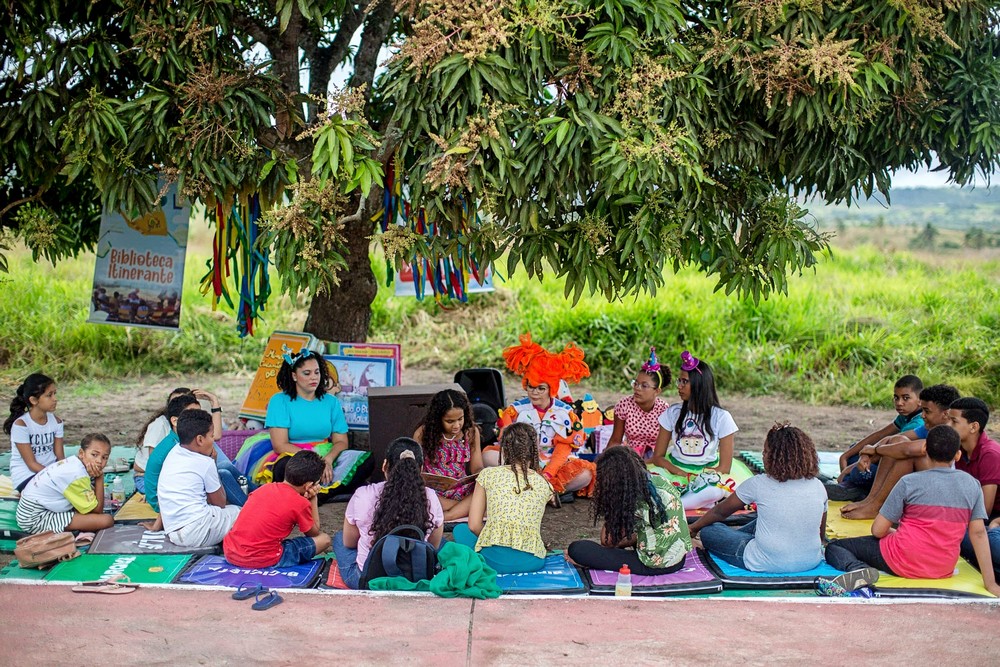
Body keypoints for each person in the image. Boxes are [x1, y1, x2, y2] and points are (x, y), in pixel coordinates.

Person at [823, 425, 1000, 597]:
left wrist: (896, 532)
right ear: (958, 454)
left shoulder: (909, 482)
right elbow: (978, 534)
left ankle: (860, 570)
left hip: (900, 560)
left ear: (924, 450)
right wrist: (991, 584)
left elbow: (877, 530)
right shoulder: (972, 485)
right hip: (942, 568)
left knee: (835, 547)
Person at [689, 423, 826, 572]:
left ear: (777, 458)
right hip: (811, 560)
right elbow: (820, 532)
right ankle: (739, 537)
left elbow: (720, 512)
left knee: (711, 529)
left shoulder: (759, 483)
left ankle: (737, 537)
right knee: (763, 520)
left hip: (765, 562)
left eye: (766, 452)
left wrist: (694, 527)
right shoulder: (818, 486)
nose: (763, 455)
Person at [491, 333, 594, 498]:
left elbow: (562, 450)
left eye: (541, 388)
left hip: (554, 462)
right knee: (489, 457)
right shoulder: (516, 409)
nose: (534, 392)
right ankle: (542, 491)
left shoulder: (565, 413)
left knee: (585, 474)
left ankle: (542, 490)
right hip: (522, 462)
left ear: (551, 389)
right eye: (531, 387)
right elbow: (507, 437)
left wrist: (547, 474)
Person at [259, 347, 373, 497]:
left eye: (317, 372)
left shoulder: (331, 401)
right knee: (283, 468)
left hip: (326, 453)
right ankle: (325, 492)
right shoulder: (279, 401)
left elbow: (341, 441)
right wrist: (316, 461)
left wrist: (329, 459)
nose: (314, 378)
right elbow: (280, 445)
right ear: (294, 376)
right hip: (294, 454)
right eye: (307, 373)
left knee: (367, 460)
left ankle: (320, 494)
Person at [333, 438, 444, 589]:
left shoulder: (362, 495)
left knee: (340, 538)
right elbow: (433, 545)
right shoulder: (431, 497)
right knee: (443, 542)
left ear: (385, 465)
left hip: (368, 580)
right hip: (414, 578)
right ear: (421, 468)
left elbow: (349, 542)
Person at [839, 384, 960, 519]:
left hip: (941, 492)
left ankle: (877, 505)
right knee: (898, 441)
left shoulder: (950, 432)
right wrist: (867, 455)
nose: (923, 416)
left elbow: (910, 449)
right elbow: (891, 438)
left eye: (927, 411)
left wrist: (875, 449)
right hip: (925, 481)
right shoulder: (929, 428)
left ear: (945, 414)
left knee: (905, 455)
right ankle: (870, 501)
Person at [568, 445, 691, 574]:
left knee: (578, 549)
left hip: (654, 565)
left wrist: (611, 503)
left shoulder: (631, 497)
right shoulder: (659, 480)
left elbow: (607, 541)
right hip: (679, 559)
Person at [453, 423, 552, 574]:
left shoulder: (488, 475)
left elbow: (473, 525)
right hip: (533, 561)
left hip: (493, 561)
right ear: (534, 450)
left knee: (460, 530)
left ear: (504, 450)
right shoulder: (545, 484)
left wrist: (494, 538)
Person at [142, 393, 246, 533]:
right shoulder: (180, 449)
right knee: (240, 509)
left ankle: (253, 496)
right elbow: (219, 503)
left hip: (174, 519)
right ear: (175, 421)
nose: (196, 418)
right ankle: (252, 506)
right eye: (191, 414)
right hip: (169, 508)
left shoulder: (179, 448)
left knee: (225, 470)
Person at [649, 351, 738, 505]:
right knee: (647, 480)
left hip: (708, 474)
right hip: (674, 470)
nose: (680, 386)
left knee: (715, 490)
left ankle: (676, 506)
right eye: (679, 381)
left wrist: (699, 478)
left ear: (699, 385)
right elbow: (658, 457)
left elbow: (724, 467)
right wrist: (681, 473)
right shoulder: (673, 413)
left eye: (685, 382)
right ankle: (691, 501)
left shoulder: (722, 417)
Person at [223, 450, 331, 568]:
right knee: (324, 539)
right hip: (262, 559)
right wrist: (313, 498)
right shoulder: (300, 503)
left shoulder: (264, 488)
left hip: (231, 552)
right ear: (309, 485)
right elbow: (314, 533)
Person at [828, 375, 924, 501]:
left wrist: (848, 469)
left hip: (893, 469)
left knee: (860, 472)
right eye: (896, 398)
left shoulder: (919, 423)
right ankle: (852, 486)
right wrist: (845, 455)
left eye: (906, 398)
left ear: (920, 400)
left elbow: (888, 449)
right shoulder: (906, 415)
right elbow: (880, 435)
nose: (899, 403)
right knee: (855, 451)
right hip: (881, 457)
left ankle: (854, 489)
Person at [158, 410, 241, 549]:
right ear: (200, 440)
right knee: (242, 512)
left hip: (173, 532)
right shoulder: (205, 462)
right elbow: (219, 503)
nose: (213, 441)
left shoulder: (173, 453)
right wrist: (213, 464)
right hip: (198, 531)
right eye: (211, 436)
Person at [15, 433, 114, 534]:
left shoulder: (73, 462)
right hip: (34, 518)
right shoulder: (77, 475)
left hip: (35, 508)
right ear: (81, 453)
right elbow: (97, 512)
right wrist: (100, 477)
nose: (99, 461)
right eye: (94, 455)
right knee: (106, 520)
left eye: (104, 457)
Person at [414, 389, 483, 521]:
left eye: (460, 419)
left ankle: (448, 514)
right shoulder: (423, 433)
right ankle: (466, 509)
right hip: (434, 492)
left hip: (463, 490)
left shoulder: (471, 432)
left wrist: (480, 475)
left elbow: (477, 466)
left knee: (486, 487)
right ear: (437, 419)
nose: (457, 425)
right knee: (418, 493)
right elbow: (416, 469)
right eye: (450, 421)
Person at [605, 347, 670, 460]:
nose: (637, 389)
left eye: (644, 386)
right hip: (630, 457)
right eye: (636, 383)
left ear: (657, 391)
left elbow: (664, 447)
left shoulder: (664, 410)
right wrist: (604, 462)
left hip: (656, 459)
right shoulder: (623, 406)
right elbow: (616, 440)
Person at [5, 373, 64, 493]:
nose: (55, 399)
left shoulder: (57, 422)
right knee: (58, 495)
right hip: (27, 476)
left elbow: (60, 457)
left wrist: (67, 474)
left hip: (51, 474)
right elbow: (31, 463)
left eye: (54, 394)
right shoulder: (21, 425)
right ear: (33, 400)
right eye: (49, 395)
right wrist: (56, 478)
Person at [133, 387, 192, 494]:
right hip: (148, 476)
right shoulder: (160, 425)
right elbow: (154, 463)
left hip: (173, 476)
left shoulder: (191, 426)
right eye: (173, 403)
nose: (177, 406)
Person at [950, 397, 1000, 519]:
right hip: (970, 510)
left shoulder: (990, 454)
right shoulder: (959, 448)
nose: (948, 426)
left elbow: (985, 511)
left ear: (973, 427)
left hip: (993, 517)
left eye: (954, 421)